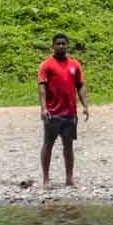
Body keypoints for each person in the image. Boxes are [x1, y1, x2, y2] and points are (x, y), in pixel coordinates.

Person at [38, 33, 89, 188]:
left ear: (67, 45)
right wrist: (43, 108)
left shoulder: (74, 65)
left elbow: (80, 85)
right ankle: (46, 180)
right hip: (53, 113)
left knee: (68, 146)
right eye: (58, 44)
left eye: (63, 43)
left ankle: (69, 178)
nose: (61, 46)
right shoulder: (46, 65)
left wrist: (85, 105)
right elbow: (41, 87)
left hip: (69, 113)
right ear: (53, 46)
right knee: (48, 145)